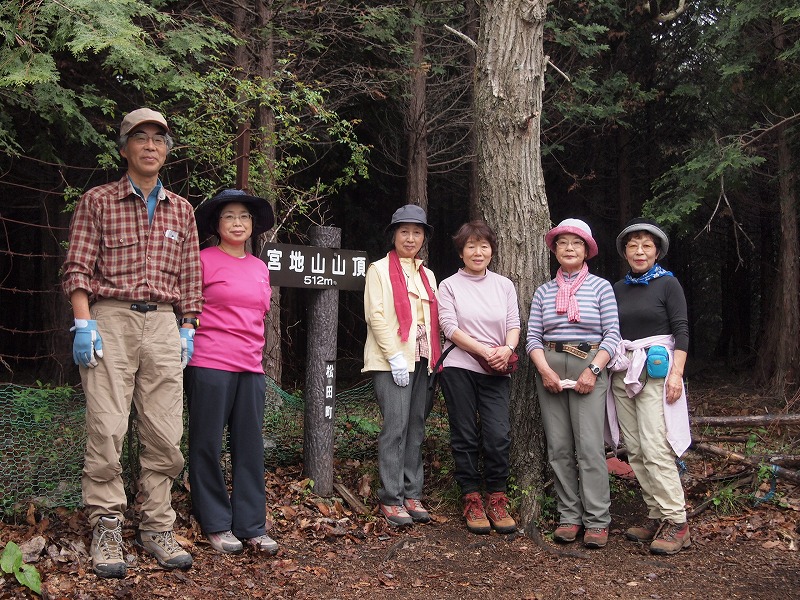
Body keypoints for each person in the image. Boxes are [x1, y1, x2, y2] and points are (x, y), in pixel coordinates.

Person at [62, 108, 201, 578]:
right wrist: (84, 325)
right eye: (139, 138)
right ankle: (106, 525)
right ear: (123, 148)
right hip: (110, 322)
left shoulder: (181, 209)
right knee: (107, 426)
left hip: (164, 325)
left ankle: (157, 526)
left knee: (165, 431)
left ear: (166, 150)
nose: (149, 146)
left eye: (158, 139)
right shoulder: (97, 201)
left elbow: (190, 278)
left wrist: (188, 328)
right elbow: (77, 268)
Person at [185, 189, 279, 555]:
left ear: (253, 225)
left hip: (250, 367)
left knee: (250, 447)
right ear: (217, 225)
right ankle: (216, 523)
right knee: (207, 444)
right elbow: (189, 307)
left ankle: (252, 525)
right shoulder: (203, 259)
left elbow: (260, 315)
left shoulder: (259, 267)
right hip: (208, 363)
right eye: (229, 217)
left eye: (244, 217)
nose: (238, 223)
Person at [526, 218, 620, 549]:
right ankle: (569, 516)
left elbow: (612, 334)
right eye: (563, 242)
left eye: (576, 243)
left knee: (590, 446)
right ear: (554, 249)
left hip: (589, 364)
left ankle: (597, 520)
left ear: (587, 251)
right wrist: (544, 371)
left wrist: (593, 370)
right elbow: (533, 337)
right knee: (560, 446)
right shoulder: (543, 291)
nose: (569, 248)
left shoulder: (601, 287)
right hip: (550, 367)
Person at [608, 218, 691, 555]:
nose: (639, 251)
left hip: (657, 371)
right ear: (625, 252)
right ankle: (656, 513)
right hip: (623, 370)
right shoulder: (617, 289)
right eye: (633, 245)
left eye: (646, 245)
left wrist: (676, 374)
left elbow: (682, 329)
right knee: (637, 449)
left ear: (657, 251)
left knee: (657, 446)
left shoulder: (669, 285)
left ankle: (678, 521)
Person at [437, 221, 520, 535]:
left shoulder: (504, 285)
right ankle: (471, 497)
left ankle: (497, 497)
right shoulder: (449, 285)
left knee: (498, 436)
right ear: (461, 252)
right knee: (465, 435)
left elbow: (513, 322)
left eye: (483, 245)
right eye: (470, 246)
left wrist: (507, 348)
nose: (477, 251)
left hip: (497, 368)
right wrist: (485, 351)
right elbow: (449, 327)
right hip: (459, 366)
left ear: (491, 251)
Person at [363, 204, 441, 526]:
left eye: (417, 232)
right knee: (395, 427)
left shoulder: (428, 275)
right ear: (394, 234)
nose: (411, 238)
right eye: (404, 231)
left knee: (416, 429)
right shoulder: (379, 270)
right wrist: (394, 356)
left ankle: (412, 493)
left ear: (424, 237)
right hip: (391, 360)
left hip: (424, 360)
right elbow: (376, 316)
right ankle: (391, 497)